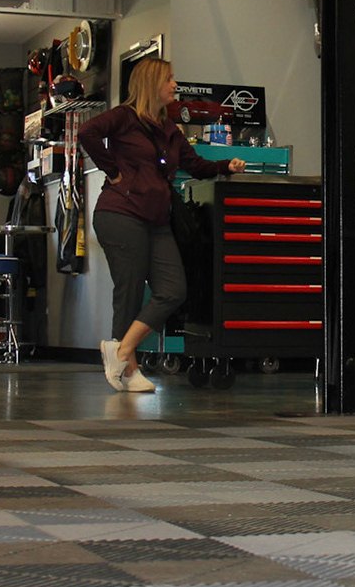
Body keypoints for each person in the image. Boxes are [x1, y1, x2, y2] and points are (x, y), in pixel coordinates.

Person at [77, 59, 244, 392]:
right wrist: (113, 171)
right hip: (121, 214)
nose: (174, 85)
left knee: (173, 290)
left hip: (156, 219)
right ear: (151, 82)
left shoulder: (169, 129)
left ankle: (120, 352)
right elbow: (87, 132)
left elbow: (194, 165)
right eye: (169, 79)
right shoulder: (124, 117)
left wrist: (227, 165)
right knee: (130, 292)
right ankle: (129, 370)